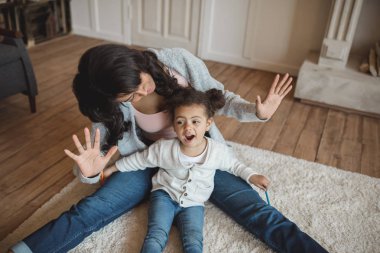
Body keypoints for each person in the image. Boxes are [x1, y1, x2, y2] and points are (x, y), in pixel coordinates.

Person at [10, 44, 328, 253]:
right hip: (148, 163)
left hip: (201, 155)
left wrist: (256, 112)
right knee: (91, 209)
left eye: (142, 80)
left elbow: (220, 97)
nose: (144, 90)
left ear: (137, 61)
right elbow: (93, 162)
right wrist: (89, 174)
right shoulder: (110, 106)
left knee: (258, 211)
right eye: (130, 96)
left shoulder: (177, 61)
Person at [65, 87, 271, 253]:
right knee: (156, 235)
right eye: (180, 122)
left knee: (193, 241)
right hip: (163, 196)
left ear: (208, 124)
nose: (187, 127)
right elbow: (140, 160)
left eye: (195, 122)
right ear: (174, 125)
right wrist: (112, 169)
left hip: (194, 203)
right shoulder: (165, 148)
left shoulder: (217, 151)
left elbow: (235, 165)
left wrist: (252, 175)